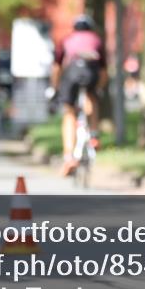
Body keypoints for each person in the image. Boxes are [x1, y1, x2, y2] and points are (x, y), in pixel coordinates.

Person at [50, 15, 107, 177]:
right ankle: (94, 134)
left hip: (72, 72)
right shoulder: (97, 39)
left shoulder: (67, 39)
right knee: (91, 98)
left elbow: (57, 67)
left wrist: (55, 88)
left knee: (68, 112)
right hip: (91, 71)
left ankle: (68, 156)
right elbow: (104, 71)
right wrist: (99, 89)